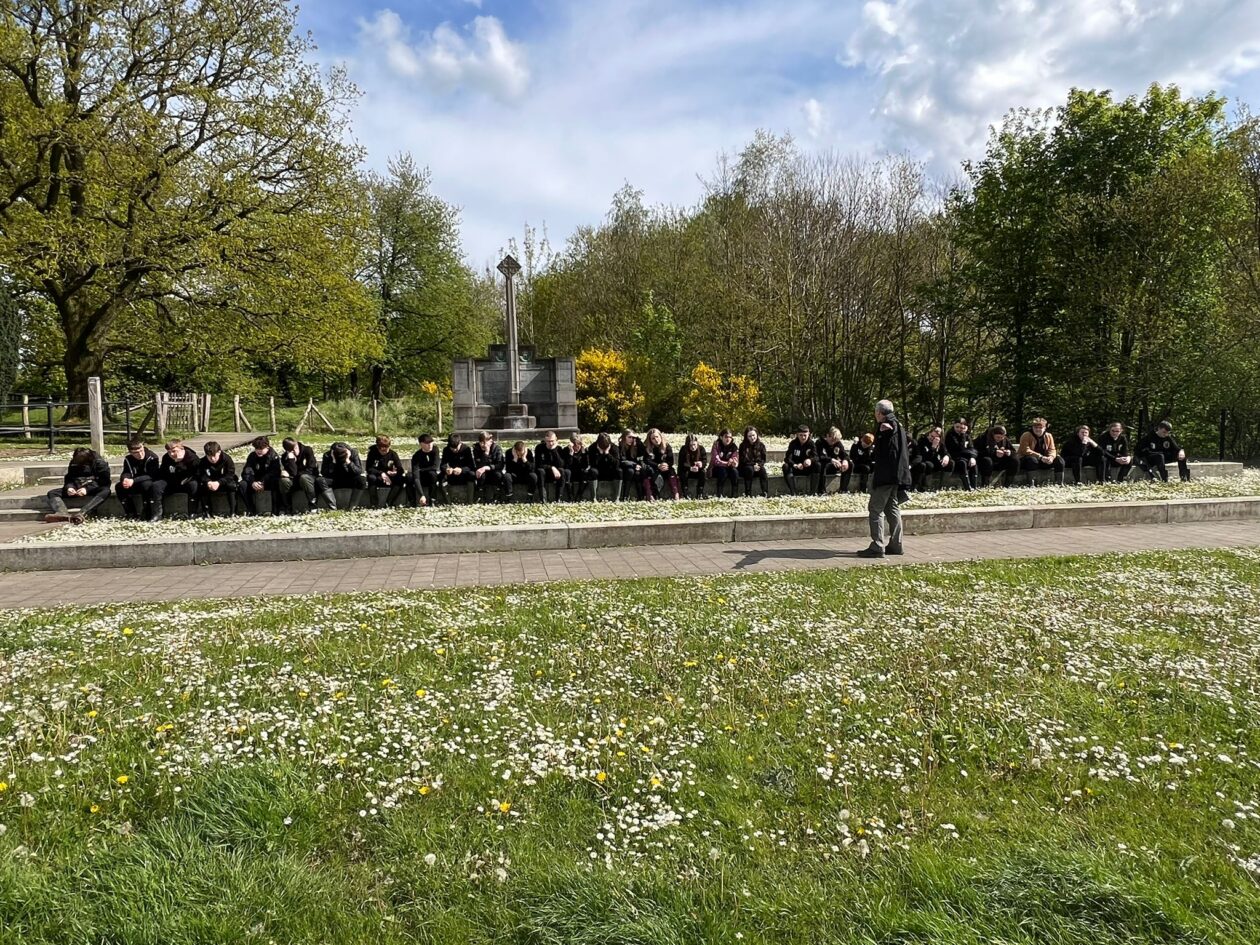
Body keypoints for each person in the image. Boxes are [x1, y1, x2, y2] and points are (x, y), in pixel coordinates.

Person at [858, 399, 911, 558]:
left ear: (879, 413)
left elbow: (887, 453)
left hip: (886, 475)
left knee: (875, 509)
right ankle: (896, 544)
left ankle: (877, 545)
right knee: (892, 508)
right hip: (897, 475)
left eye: (876, 412)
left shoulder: (886, 427)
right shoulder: (899, 425)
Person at [46, 447, 112, 524]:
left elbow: (104, 481)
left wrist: (87, 489)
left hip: (94, 488)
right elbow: (69, 477)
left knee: (106, 491)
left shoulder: (100, 464)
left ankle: (83, 513)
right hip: (77, 487)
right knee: (52, 493)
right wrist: (69, 487)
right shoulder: (74, 462)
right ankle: (62, 513)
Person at [150, 439, 200, 521]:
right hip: (171, 482)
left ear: (181, 449)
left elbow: (196, 474)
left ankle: (192, 513)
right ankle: (157, 514)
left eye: (174, 451)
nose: (171, 454)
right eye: (169, 452)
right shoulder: (166, 457)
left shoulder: (192, 458)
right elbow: (163, 473)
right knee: (156, 486)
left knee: (194, 485)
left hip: (186, 483)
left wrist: (179, 464)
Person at [278, 437, 332, 513]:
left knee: (304, 477)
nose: (294, 451)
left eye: (295, 448)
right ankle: (287, 507)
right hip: (295, 480)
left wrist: (293, 475)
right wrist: (291, 460)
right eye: (291, 450)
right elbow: (293, 472)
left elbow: (311, 468)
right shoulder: (285, 457)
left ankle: (313, 505)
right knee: (284, 480)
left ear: (297, 444)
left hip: (309, 477)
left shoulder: (307, 450)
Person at [115, 437, 162, 520]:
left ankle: (147, 511)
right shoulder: (128, 459)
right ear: (130, 452)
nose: (140, 454)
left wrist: (133, 480)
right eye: (136, 453)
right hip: (134, 482)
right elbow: (126, 471)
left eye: (141, 451)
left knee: (146, 485)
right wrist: (125, 479)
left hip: (147, 481)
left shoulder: (152, 457)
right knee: (119, 486)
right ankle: (131, 513)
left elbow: (152, 475)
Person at [319, 441, 368, 510]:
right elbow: (324, 473)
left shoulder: (353, 453)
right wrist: (333, 461)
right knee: (320, 480)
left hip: (350, 479)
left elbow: (358, 471)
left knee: (362, 480)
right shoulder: (327, 455)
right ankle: (333, 507)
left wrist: (348, 461)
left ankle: (352, 507)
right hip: (334, 480)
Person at [365, 435, 412, 507]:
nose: (384, 452)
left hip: (390, 478)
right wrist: (381, 473)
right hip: (378, 477)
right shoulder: (372, 453)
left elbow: (400, 469)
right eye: (382, 450)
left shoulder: (393, 454)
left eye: (386, 449)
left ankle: (389, 502)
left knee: (401, 479)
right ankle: (374, 503)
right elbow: (369, 468)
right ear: (378, 447)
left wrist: (395, 473)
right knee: (371, 478)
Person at [240, 435, 281, 515]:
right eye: (256, 449)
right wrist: (252, 482)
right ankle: (251, 510)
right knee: (242, 484)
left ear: (267, 447)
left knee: (275, 482)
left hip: (267, 481)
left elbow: (275, 472)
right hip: (254, 482)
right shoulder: (252, 456)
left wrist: (263, 482)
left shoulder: (273, 456)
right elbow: (246, 471)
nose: (258, 451)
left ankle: (275, 510)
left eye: (261, 449)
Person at [196, 441, 239, 517]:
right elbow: (201, 474)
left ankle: (233, 511)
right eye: (209, 456)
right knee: (201, 487)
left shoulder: (227, 459)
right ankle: (207, 511)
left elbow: (230, 474)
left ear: (219, 452)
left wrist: (219, 482)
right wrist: (208, 481)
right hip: (210, 483)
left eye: (214, 456)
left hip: (223, 482)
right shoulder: (202, 462)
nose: (212, 459)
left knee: (231, 485)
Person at [1018, 417, 1065, 485]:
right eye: (1035, 427)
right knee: (1032, 460)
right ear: (1032, 427)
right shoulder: (1026, 435)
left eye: (1040, 427)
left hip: (1044, 460)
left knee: (1060, 460)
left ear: (1044, 428)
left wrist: (1051, 457)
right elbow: (1025, 450)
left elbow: (1052, 449)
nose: (1038, 429)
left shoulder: (1048, 436)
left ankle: (1059, 483)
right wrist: (1040, 457)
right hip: (1028, 459)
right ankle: (1031, 484)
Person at [472, 431, 512, 502]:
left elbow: (500, 464)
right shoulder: (476, 449)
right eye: (481, 443)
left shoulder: (496, 448)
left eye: (485, 443)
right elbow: (478, 465)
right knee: (480, 474)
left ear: (490, 441)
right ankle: (480, 494)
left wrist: (487, 467)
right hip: (482, 473)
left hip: (493, 471)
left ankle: (497, 494)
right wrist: (486, 454)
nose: (483, 445)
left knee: (498, 475)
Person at [642, 428, 680, 500]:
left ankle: (676, 493)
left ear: (660, 436)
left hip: (665, 467)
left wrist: (665, 465)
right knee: (647, 472)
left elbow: (671, 460)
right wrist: (658, 466)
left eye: (657, 437)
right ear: (650, 440)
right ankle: (650, 494)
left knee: (671, 471)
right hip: (654, 468)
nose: (656, 440)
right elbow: (646, 460)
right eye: (653, 438)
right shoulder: (647, 448)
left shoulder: (667, 446)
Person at [943, 419, 979, 491]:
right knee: (963, 463)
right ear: (954, 426)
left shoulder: (967, 436)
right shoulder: (950, 435)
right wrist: (962, 435)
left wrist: (972, 457)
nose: (959, 429)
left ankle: (974, 487)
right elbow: (959, 448)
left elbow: (972, 449)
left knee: (973, 464)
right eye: (957, 427)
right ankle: (967, 487)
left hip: (965, 457)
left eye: (961, 427)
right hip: (955, 457)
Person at [534, 431, 570, 503]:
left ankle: (558, 498)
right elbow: (539, 464)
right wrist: (552, 468)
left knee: (562, 471)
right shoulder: (539, 448)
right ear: (545, 440)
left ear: (556, 440)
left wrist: (554, 450)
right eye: (548, 441)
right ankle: (543, 499)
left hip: (556, 474)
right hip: (544, 472)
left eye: (552, 441)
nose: (550, 443)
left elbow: (561, 464)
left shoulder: (559, 449)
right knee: (540, 471)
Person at [815, 427, 851, 495]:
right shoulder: (819, 442)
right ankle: (821, 490)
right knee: (822, 465)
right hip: (824, 465)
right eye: (832, 440)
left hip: (834, 465)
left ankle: (843, 489)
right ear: (828, 435)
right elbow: (819, 456)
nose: (833, 442)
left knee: (850, 464)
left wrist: (845, 460)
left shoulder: (837, 443)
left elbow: (844, 455)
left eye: (835, 441)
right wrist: (831, 460)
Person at [913, 427, 950, 492]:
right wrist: (933, 447)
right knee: (928, 464)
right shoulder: (922, 440)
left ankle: (942, 486)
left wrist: (946, 456)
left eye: (935, 438)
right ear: (929, 433)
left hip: (935, 462)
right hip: (924, 461)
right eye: (931, 436)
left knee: (951, 463)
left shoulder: (940, 443)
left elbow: (945, 452)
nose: (932, 438)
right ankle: (923, 486)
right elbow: (924, 457)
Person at [782, 425, 816, 494]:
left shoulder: (811, 444)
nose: (803, 437)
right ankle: (793, 492)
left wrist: (810, 460)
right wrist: (794, 465)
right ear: (797, 434)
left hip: (807, 468)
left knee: (818, 465)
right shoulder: (793, 443)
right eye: (800, 435)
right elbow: (787, 458)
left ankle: (813, 492)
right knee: (785, 466)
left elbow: (816, 457)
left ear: (808, 434)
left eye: (805, 435)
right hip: (796, 468)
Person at [586, 432, 621, 500]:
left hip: (610, 471)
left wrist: (607, 454)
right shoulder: (592, 448)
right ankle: (593, 497)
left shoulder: (614, 447)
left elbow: (617, 464)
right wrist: (600, 453)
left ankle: (617, 497)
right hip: (598, 472)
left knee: (619, 471)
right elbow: (592, 464)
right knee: (592, 471)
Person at [409, 434, 440, 506]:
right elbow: (416, 476)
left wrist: (421, 470)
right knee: (409, 477)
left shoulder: (435, 450)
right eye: (427, 444)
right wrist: (422, 495)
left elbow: (435, 466)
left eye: (431, 443)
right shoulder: (416, 456)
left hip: (430, 476)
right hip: (421, 478)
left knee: (433, 474)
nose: (430, 445)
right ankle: (412, 501)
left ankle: (432, 499)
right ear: (421, 444)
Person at [739, 426, 769, 498]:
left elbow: (763, 459)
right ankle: (748, 493)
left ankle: (765, 493)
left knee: (763, 471)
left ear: (757, 435)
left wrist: (759, 465)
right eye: (749, 436)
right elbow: (743, 460)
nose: (752, 438)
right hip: (745, 467)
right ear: (746, 437)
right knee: (749, 469)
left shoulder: (761, 445)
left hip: (757, 467)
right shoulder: (743, 446)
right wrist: (753, 465)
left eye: (753, 435)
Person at [618, 429, 647, 500]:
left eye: (633, 438)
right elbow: (622, 461)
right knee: (630, 471)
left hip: (635, 467)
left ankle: (641, 497)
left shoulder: (635, 447)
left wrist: (637, 438)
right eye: (629, 437)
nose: (631, 439)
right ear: (624, 437)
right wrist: (634, 465)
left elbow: (644, 451)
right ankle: (625, 496)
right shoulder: (620, 447)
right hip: (624, 468)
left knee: (638, 472)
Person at [709, 428, 740, 498]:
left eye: (730, 437)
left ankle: (734, 494)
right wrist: (727, 463)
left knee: (735, 472)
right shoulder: (716, 445)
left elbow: (735, 459)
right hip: (717, 468)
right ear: (721, 437)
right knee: (722, 472)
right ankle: (719, 493)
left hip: (729, 467)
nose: (728, 439)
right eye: (726, 437)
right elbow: (716, 461)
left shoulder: (734, 447)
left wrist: (734, 463)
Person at [678, 433, 708, 499]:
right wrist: (690, 468)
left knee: (703, 472)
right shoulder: (683, 449)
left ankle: (700, 493)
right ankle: (685, 493)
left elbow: (705, 460)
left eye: (694, 444)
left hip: (697, 470)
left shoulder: (701, 449)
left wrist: (701, 464)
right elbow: (681, 463)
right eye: (690, 445)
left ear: (697, 443)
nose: (693, 447)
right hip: (687, 470)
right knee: (683, 473)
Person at [564, 433, 591, 501]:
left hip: (580, 472)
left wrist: (584, 453)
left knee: (584, 472)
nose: (576, 447)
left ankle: (579, 495)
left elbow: (586, 465)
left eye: (578, 445)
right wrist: (571, 453)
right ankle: (571, 496)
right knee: (568, 473)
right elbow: (567, 465)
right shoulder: (566, 450)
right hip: (571, 471)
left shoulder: (585, 451)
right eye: (575, 445)